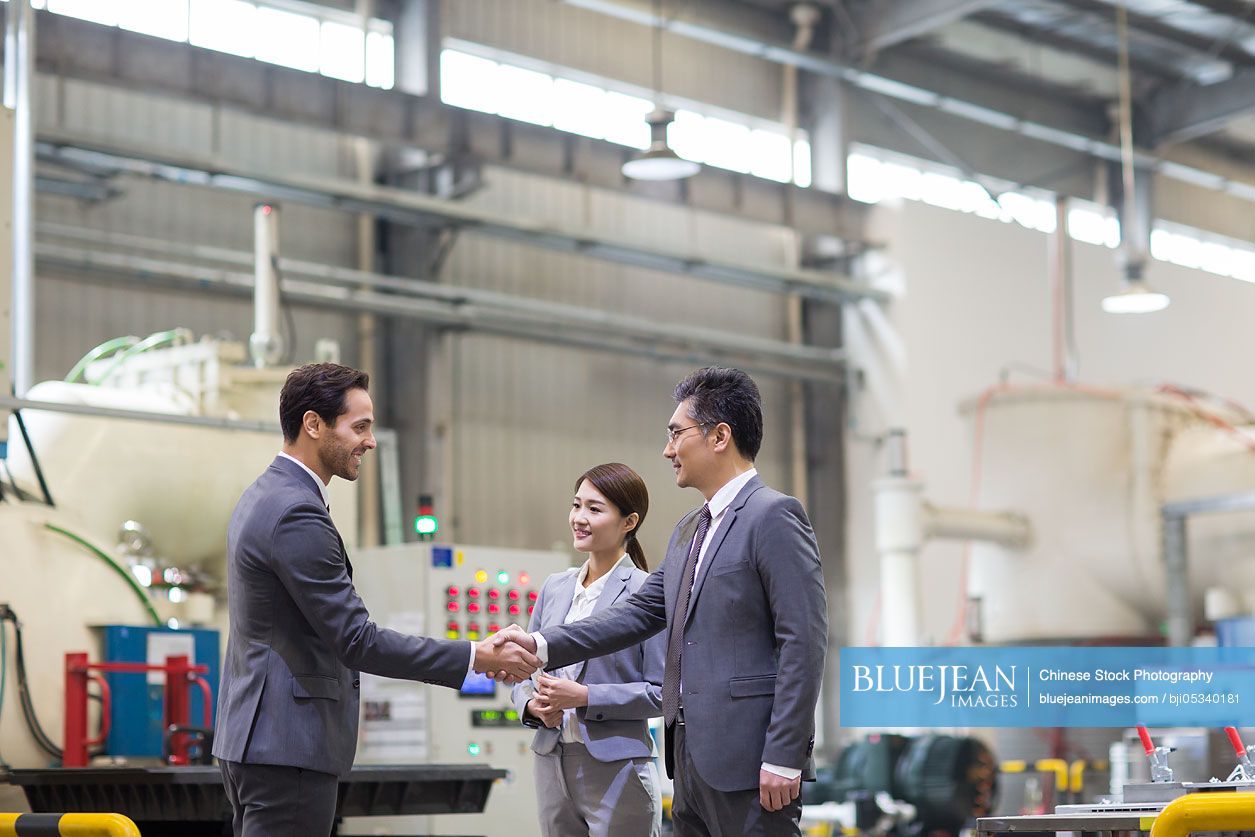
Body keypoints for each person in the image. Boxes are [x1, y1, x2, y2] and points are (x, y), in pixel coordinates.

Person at [496, 366, 828, 836]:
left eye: (676, 434)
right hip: (689, 763)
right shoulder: (690, 529)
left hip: (752, 763)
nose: (667, 449)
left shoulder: (773, 515)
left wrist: (785, 754)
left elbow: (804, 642)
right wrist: (537, 644)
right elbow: (636, 614)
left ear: (719, 436)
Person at [213, 362, 539, 837]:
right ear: (313, 424)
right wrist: (476, 656)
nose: (370, 440)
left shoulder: (264, 496)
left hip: (261, 740)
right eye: (359, 426)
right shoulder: (295, 512)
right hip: (288, 745)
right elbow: (357, 640)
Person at [512, 463, 666, 837]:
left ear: (629, 522)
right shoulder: (554, 587)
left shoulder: (649, 593)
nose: (579, 518)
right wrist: (530, 706)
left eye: (594, 510)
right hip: (552, 760)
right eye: (576, 505)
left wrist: (584, 696)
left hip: (618, 768)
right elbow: (524, 673)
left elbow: (663, 693)